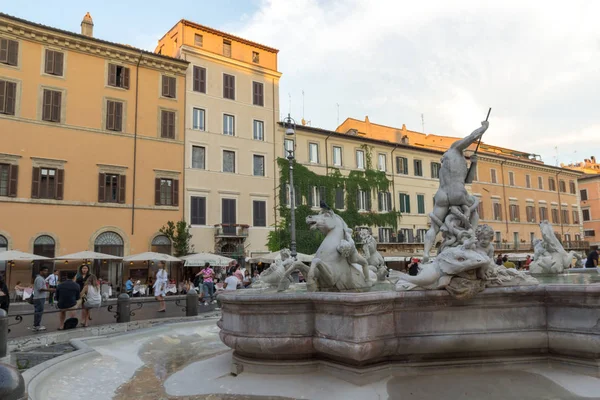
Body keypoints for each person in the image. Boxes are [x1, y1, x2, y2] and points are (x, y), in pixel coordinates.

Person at [423, 121, 489, 261]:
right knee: (474, 211)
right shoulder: (454, 149)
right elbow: (472, 137)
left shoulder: (447, 164)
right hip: (457, 192)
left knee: (434, 227)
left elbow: (468, 179)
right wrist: (483, 128)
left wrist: (474, 163)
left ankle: (426, 253)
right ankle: (472, 233)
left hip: (441, 195)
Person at [32, 266, 54, 331]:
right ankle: (37, 326)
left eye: (47, 271)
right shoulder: (39, 278)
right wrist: (49, 290)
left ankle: (36, 325)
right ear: (40, 271)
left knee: (38, 311)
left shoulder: (41, 278)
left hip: (40, 297)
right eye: (44, 270)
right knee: (39, 311)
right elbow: (40, 289)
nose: (46, 272)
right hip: (39, 297)